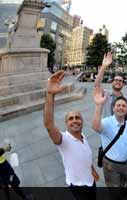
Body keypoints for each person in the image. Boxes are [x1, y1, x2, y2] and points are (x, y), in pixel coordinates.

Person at [44, 70, 99, 200]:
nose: (75, 120)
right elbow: (49, 125)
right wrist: (50, 94)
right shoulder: (64, 140)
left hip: (91, 181)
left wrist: (92, 170)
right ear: (66, 124)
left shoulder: (83, 136)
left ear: (82, 121)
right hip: (78, 187)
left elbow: (85, 155)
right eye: (71, 118)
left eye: (77, 117)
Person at [92, 86, 127, 187]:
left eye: (124, 106)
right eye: (118, 105)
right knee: (114, 192)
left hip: (125, 163)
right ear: (113, 108)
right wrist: (98, 106)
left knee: (122, 185)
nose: (121, 107)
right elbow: (95, 127)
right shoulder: (106, 122)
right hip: (111, 165)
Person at [94, 52, 127, 122]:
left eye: (120, 81)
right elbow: (97, 85)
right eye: (116, 80)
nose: (118, 82)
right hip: (107, 127)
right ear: (112, 82)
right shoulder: (106, 94)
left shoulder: (126, 98)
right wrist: (103, 67)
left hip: (121, 127)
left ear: (123, 84)